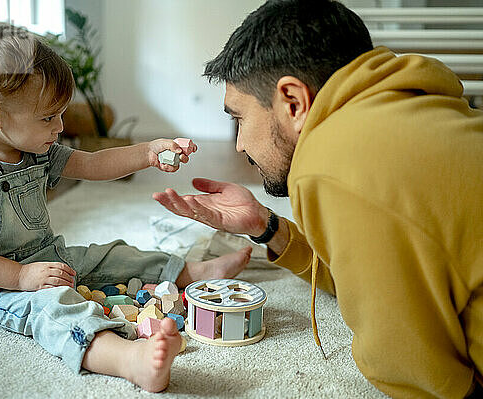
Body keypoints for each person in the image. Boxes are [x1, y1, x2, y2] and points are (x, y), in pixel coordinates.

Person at [152, 0, 483, 397]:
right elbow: (364, 277)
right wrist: (266, 226)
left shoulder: (334, 162)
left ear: (293, 101)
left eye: (238, 118)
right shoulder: (409, 111)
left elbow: (415, 373)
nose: (239, 145)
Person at [0, 32, 252, 393]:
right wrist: (19, 278)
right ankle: (129, 360)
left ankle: (192, 271)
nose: (60, 127)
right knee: (54, 308)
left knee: (114, 254)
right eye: (49, 117)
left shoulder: (35, 150)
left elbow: (94, 164)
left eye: (60, 114)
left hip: (47, 257)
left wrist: (148, 152)